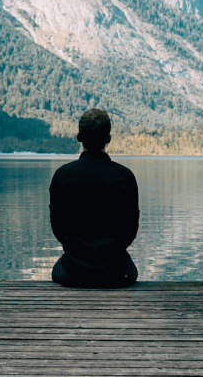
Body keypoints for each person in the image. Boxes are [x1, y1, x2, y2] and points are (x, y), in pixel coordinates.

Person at [49, 109, 139, 288]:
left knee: (58, 268)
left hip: (73, 273)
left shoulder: (62, 175)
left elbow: (58, 227)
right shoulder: (125, 176)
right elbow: (131, 229)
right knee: (129, 269)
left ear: (78, 137)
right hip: (116, 273)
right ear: (108, 139)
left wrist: (77, 252)